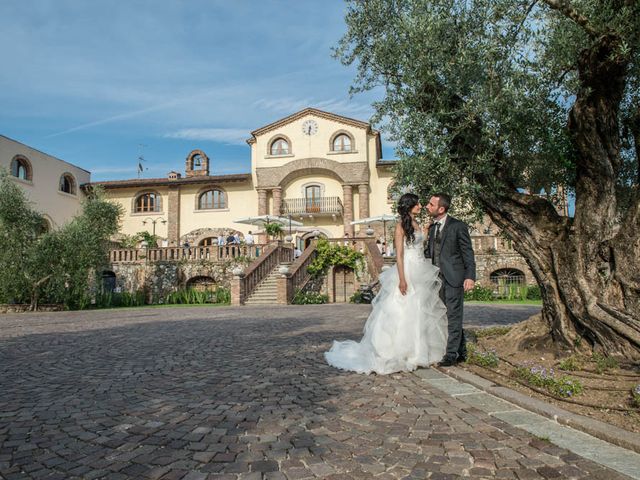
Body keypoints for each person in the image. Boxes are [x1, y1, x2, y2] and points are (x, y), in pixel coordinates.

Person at [325, 193, 448, 375]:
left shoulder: (415, 224)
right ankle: (398, 351)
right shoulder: (400, 226)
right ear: (410, 206)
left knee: (420, 309)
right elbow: (399, 255)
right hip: (407, 270)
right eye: (417, 204)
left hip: (420, 268)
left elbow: (419, 244)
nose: (420, 206)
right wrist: (402, 279)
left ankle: (419, 351)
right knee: (402, 309)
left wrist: (426, 231)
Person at [424, 193, 476, 367]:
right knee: (443, 316)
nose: (427, 206)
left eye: (431, 204)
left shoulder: (457, 226)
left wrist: (470, 276)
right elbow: (430, 254)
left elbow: (467, 252)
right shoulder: (431, 228)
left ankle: (450, 355)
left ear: (441, 208)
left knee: (454, 315)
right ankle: (461, 350)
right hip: (436, 280)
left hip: (454, 278)